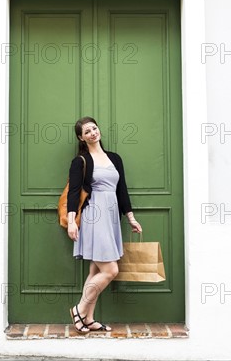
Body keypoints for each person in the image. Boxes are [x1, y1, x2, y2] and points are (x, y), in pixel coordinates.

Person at [66, 116, 142, 334]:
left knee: (95, 270)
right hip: (94, 214)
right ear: (81, 138)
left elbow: (122, 190)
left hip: (111, 217)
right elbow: (73, 193)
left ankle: (88, 319)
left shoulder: (114, 159)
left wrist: (131, 218)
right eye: (87, 131)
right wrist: (72, 222)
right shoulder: (81, 160)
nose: (92, 133)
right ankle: (79, 310)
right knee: (110, 270)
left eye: (94, 128)